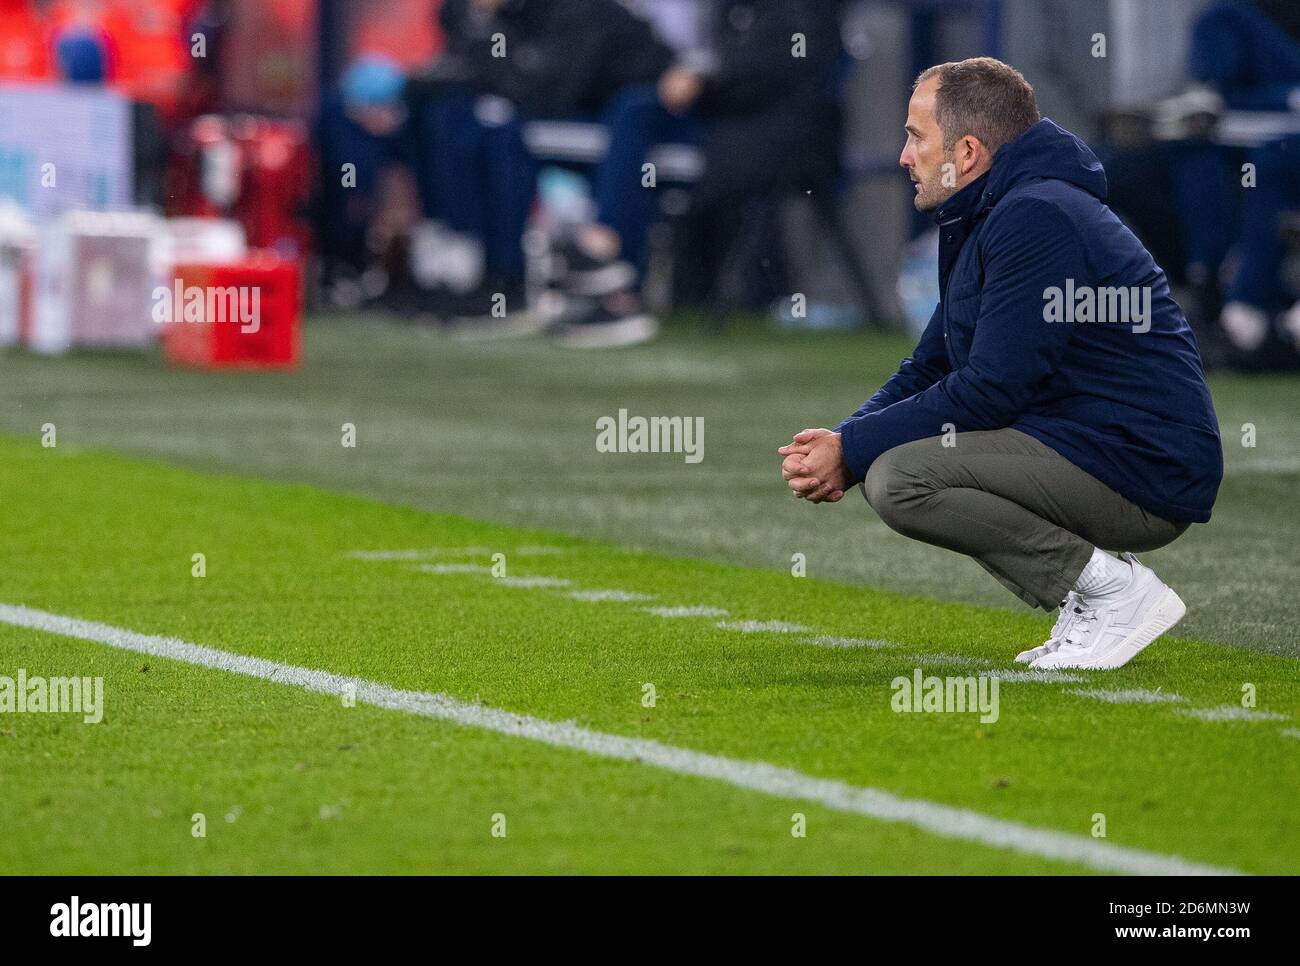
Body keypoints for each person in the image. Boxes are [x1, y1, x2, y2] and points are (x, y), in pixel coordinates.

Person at [778, 58, 1223, 671]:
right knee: (892, 462)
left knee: (903, 479)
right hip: (1100, 444)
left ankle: (1113, 593)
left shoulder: (1033, 216)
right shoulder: (999, 209)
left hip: (1143, 465)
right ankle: (1094, 595)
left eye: (915, 136)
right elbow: (932, 362)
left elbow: (990, 390)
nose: (905, 157)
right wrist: (843, 439)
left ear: (966, 150)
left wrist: (855, 451)